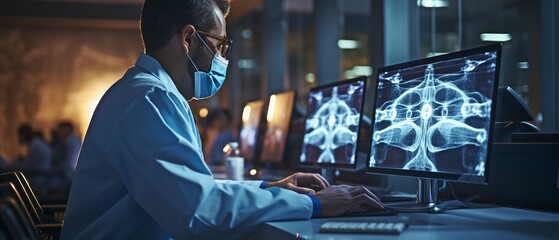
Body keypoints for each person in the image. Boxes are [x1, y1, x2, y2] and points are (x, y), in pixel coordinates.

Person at [60, 1, 383, 239]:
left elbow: (185, 190)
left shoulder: (141, 91)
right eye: (219, 45)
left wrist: (269, 187)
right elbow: (199, 212)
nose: (221, 59)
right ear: (188, 38)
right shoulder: (150, 98)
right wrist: (313, 206)